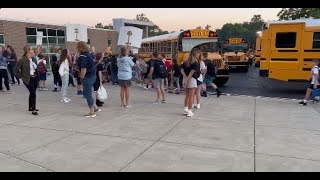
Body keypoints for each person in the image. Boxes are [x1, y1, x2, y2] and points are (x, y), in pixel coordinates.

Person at [77, 41, 101, 118]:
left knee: (87, 94)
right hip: (93, 76)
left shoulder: (82, 56)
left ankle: (92, 112)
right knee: (87, 94)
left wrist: (81, 78)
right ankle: (95, 107)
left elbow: (83, 69)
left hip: (87, 77)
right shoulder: (89, 54)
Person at [15, 45, 39, 116]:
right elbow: (16, 70)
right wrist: (21, 76)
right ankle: (34, 109)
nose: (33, 50)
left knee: (32, 93)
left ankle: (30, 107)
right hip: (27, 79)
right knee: (33, 93)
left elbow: (36, 69)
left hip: (35, 78)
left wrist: (37, 77)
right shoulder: (22, 60)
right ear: (28, 51)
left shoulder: (34, 59)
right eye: (31, 49)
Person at [181, 48, 200, 117]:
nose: (199, 55)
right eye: (198, 54)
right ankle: (189, 110)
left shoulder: (185, 61)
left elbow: (182, 71)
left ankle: (185, 109)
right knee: (191, 96)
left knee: (187, 95)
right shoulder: (195, 63)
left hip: (185, 78)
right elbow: (192, 72)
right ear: (196, 54)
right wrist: (187, 79)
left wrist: (185, 78)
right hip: (191, 79)